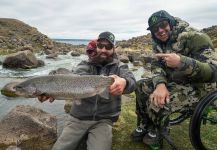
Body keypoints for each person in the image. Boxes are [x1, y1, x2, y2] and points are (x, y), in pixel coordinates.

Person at [131, 10, 217, 148]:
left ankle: (156, 132)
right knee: (141, 86)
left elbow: (214, 72)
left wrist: (182, 62)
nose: (160, 30)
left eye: (163, 24)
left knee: (159, 101)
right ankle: (145, 124)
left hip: (201, 87)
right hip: (177, 81)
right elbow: (156, 64)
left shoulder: (196, 37)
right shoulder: (158, 42)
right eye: (154, 29)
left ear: (171, 22)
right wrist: (160, 84)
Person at [39, 31, 136, 150]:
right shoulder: (84, 65)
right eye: (101, 46)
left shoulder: (120, 67)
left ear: (114, 48)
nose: (104, 50)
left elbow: (132, 82)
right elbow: (72, 80)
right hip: (78, 118)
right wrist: (52, 91)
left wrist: (124, 82)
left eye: (108, 47)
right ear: (97, 46)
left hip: (103, 120)